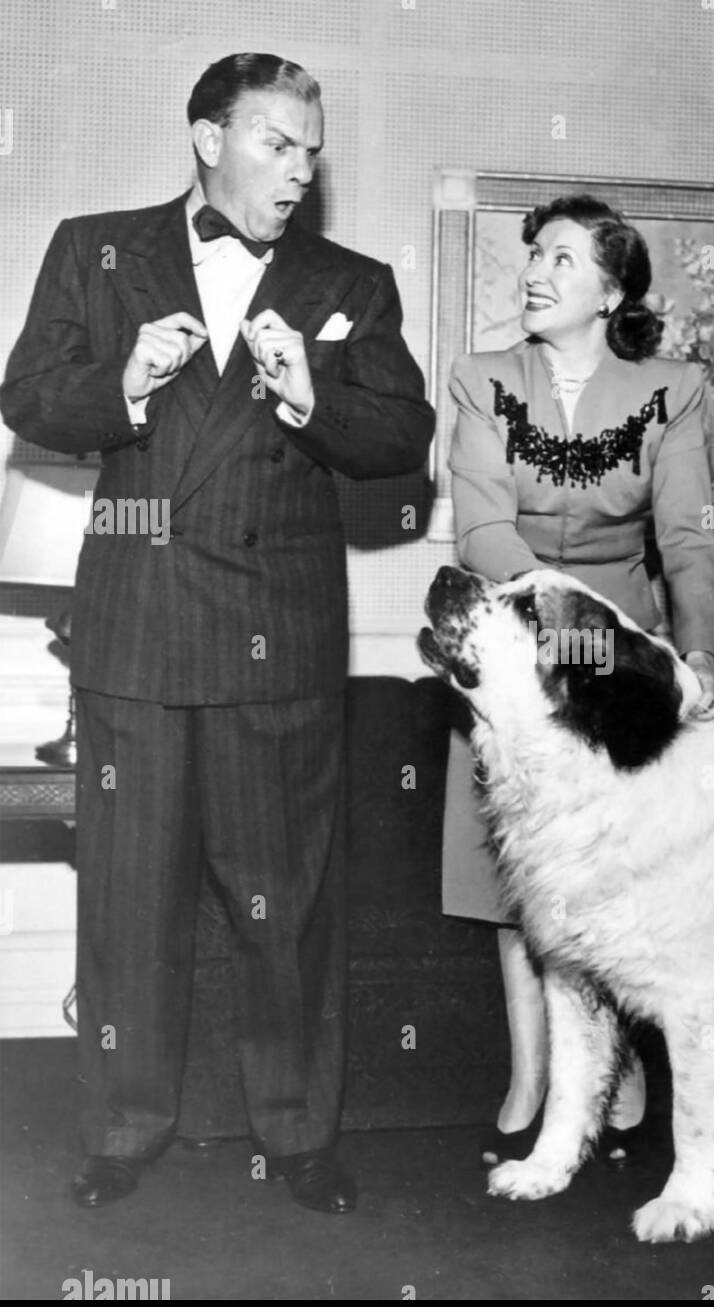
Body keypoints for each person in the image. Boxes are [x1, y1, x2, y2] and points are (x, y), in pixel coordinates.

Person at [0, 53, 435, 1213]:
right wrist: (125, 387)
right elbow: (27, 395)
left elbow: (400, 438)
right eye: (274, 145)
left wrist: (307, 396)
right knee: (126, 904)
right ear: (207, 138)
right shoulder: (96, 247)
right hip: (136, 632)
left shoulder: (351, 280)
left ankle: (296, 1133)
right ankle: (122, 1130)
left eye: (310, 152)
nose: (297, 174)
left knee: (283, 906)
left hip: (275, 642)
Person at [442, 194, 714, 1166]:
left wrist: (696, 653)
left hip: (620, 678)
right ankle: (532, 1071)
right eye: (532, 254)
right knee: (515, 877)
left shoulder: (672, 390)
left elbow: (685, 537)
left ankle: (614, 1062)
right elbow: (480, 527)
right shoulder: (481, 379)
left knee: (614, 878)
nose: (534, 270)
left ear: (609, 292)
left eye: (561, 260)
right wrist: (545, 625)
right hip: (511, 666)